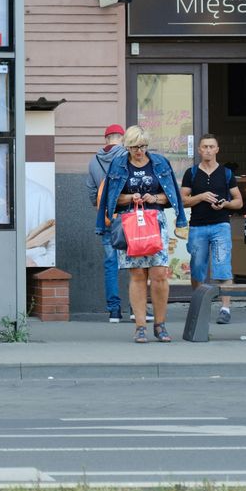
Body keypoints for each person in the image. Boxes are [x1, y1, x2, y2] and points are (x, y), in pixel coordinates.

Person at [95, 126, 186, 343]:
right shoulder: (118, 164)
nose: (140, 151)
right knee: (137, 275)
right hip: (130, 222)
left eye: (143, 146)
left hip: (156, 221)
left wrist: (154, 199)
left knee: (159, 274)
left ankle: (160, 325)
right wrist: (131, 197)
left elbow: (170, 194)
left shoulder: (160, 162)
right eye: (135, 147)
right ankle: (140, 326)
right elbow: (110, 199)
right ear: (127, 146)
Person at [180, 134, 243, 325]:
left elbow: (238, 201)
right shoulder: (191, 173)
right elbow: (183, 200)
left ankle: (225, 309)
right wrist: (201, 197)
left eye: (211, 147)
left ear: (217, 149)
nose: (208, 150)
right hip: (197, 226)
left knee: (223, 268)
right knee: (197, 269)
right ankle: (200, 305)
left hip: (220, 226)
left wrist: (225, 204)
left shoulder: (226, 173)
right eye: (204, 147)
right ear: (199, 150)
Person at [87, 124, 127, 322]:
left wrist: (102, 208)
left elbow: (92, 192)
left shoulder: (94, 160)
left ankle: (114, 310)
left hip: (106, 219)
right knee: (135, 263)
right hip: (127, 218)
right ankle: (136, 309)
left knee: (111, 264)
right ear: (122, 138)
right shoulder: (126, 157)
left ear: (106, 139)